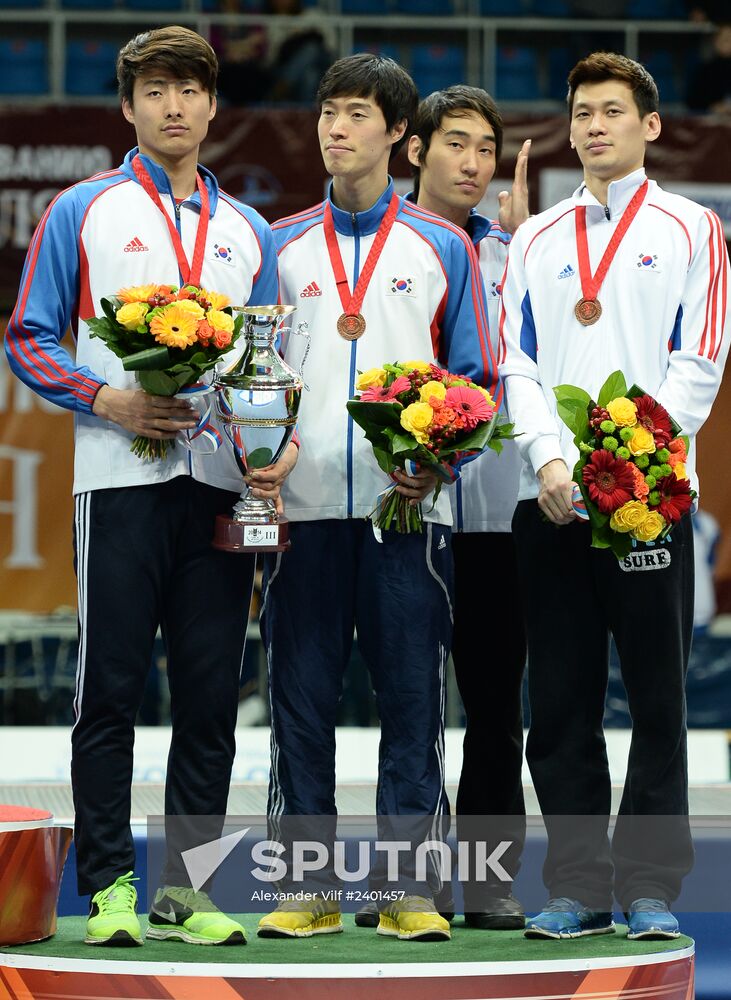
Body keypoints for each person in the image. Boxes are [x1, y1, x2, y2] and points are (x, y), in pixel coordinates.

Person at [4, 25, 295, 947]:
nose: (174, 107)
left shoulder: (249, 231)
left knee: (212, 694)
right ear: (128, 108)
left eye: (190, 91)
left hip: (217, 486)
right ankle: (110, 892)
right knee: (111, 690)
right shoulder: (80, 210)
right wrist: (108, 400)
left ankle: (189, 887)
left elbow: (268, 357)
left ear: (215, 106)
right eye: (155, 91)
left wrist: (268, 447)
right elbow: (27, 336)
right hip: (116, 482)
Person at [257, 53, 496, 943]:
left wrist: (440, 464)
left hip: (409, 513)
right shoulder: (278, 246)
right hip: (304, 509)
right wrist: (262, 455)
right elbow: (258, 378)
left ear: (398, 133)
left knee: (410, 699)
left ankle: (408, 888)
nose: (335, 129)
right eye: (327, 112)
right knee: (300, 700)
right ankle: (306, 886)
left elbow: (474, 380)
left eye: (357, 114)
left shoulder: (443, 247)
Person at [499, 51, 729, 940]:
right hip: (551, 499)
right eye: (581, 112)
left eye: (610, 111)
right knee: (556, 702)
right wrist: (552, 464)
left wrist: (625, 461)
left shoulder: (689, 227)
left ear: (650, 127)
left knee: (657, 698)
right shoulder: (536, 237)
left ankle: (649, 889)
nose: (593, 126)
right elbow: (516, 361)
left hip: (649, 498)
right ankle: (576, 886)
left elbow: (698, 359)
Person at [403, 85, 530, 932]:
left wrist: (525, 244)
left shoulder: (512, 253)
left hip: (490, 514)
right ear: (413, 151)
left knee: (493, 708)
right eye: (456, 145)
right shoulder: (384, 245)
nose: (474, 164)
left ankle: (484, 881)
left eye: (485, 149)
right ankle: (407, 884)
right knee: (406, 707)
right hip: (399, 510)